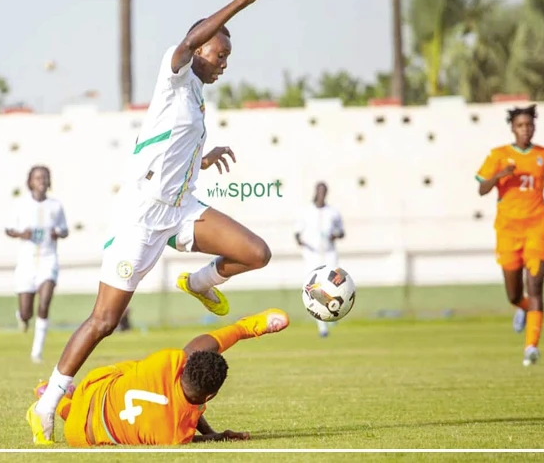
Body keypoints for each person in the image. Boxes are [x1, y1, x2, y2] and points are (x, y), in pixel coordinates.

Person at [28, 0, 277, 444]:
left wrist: (202, 158)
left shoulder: (196, 96)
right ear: (199, 49)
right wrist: (242, 1)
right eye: (220, 54)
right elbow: (190, 39)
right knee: (104, 321)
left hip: (180, 209)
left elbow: (166, 151)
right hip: (142, 218)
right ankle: (46, 404)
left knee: (256, 253)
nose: (224, 64)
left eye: (227, 57)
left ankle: (199, 282)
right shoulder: (174, 73)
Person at [28, 308, 289, 446]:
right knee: (112, 424)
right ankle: (58, 401)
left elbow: (198, 348)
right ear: (211, 395)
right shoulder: (174, 434)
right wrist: (214, 435)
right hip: (80, 436)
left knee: (132, 372)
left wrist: (242, 330)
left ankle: (55, 395)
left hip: (95, 387)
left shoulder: (168, 362)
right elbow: (188, 417)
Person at [476, 104, 544, 367]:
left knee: (535, 286)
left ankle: (531, 347)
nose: (525, 129)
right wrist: (499, 175)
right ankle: (523, 308)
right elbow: (481, 188)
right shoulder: (499, 155)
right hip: (508, 231)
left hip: (539, 227)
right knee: (514, 294)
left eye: (529, 125)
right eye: (520, 125)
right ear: (512, 129)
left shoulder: (543, 154)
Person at [5, 166, 68, 364]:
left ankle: (37, 352)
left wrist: (57, 233)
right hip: (27, 262)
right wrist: (21, 234)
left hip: (48, 260)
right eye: (37, 177)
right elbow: (9, 229)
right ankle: (23, 318)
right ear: (30, 181)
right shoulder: (21, 204)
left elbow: (65, 230)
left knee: (45, 302)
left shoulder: (55, 205)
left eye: (45, 177)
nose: (41, 180)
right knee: (27, 312)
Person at [294, 182, 345, 338]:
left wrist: (335, 235)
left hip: (329, 254)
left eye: (324, 191)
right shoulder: (306, 212)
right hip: (312, 255)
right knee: (315, 289)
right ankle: (322, 326)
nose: (321, 194)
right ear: (315, 192)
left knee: (334, 285)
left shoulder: (333, 212)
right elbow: (297, 233)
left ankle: (333, 312)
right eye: (319, 191)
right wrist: (301, 241)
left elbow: (342, 232)